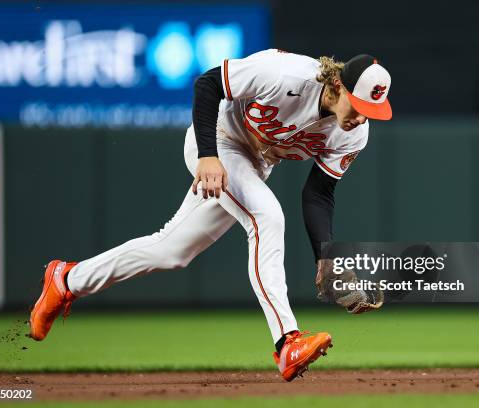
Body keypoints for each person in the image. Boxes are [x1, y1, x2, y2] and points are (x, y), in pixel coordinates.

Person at [28, 49, 392, 382]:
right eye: (358, 105)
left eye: (371, 111)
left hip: (254, 163)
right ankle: (287, 341)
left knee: (170, 250)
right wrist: (207, 154)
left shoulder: (353, 135)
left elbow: (318, 193)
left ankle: (67, 280)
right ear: (335, 85)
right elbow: (208, 83)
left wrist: (325, 258)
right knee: (267, 217)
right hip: (217, 139)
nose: (362, 118)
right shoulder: (285, 75)